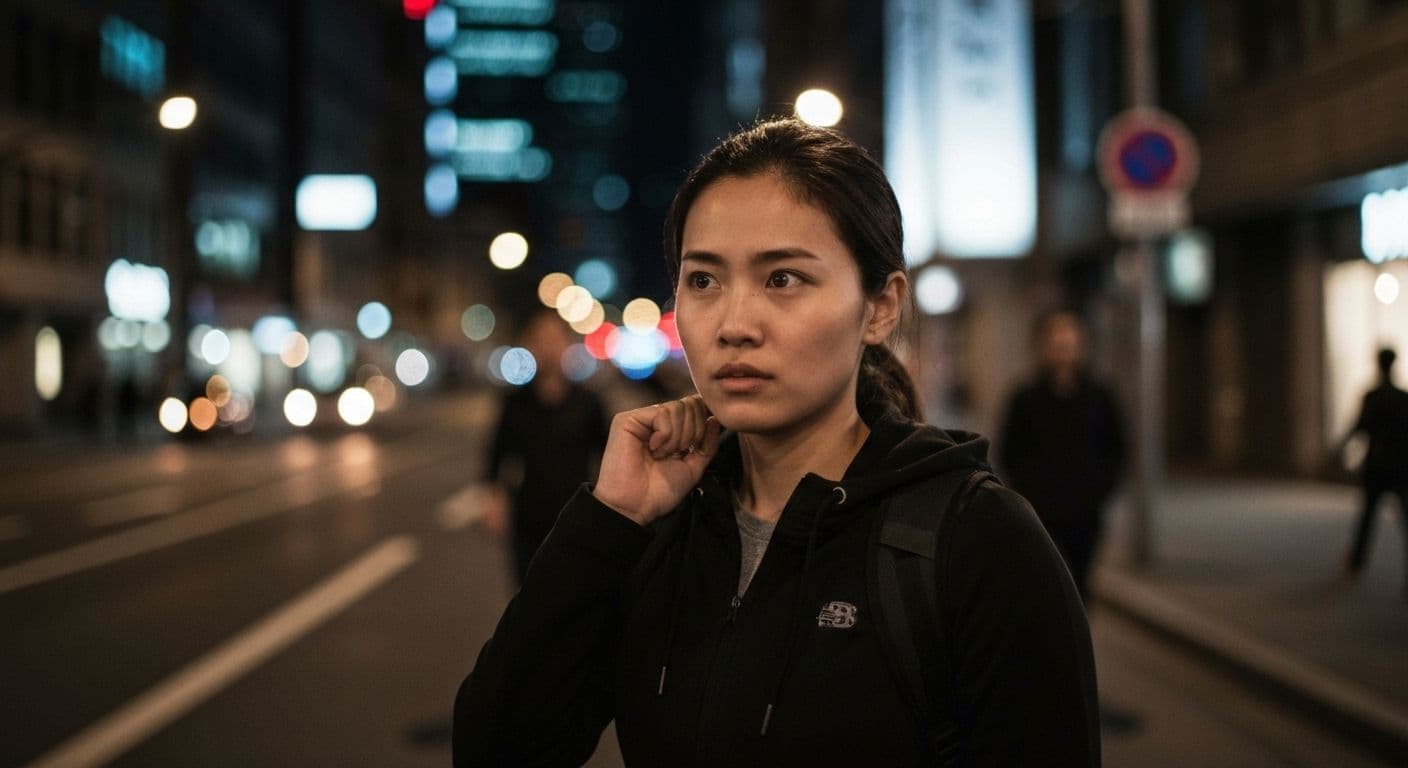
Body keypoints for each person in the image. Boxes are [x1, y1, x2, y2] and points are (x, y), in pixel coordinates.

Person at [454, 118, 1099, 766]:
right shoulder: (660, 533)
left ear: (880, 307)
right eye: (704, 280)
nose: (734, 324)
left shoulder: (978, 542)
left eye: (783, 278)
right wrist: (608, 522)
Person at [997, 309, 1127, 600]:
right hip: (1041, 514)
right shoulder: (1025, 397)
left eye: (1070, 340)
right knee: (1046, 589)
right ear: (1044, 345)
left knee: (1080, 588)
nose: (1063, 347)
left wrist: (1099, 490)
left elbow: (1116, 449)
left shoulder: (1100, 395)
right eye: (1057, 341)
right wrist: (1030, 492)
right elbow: (1009, 452)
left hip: (1085, 513)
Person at [481, 308, 610, 585]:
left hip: (577, 514)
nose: (548, 346)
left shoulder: (589, 402)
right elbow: (497, 451)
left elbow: (608, 453)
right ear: (529, 344)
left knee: (575, 594)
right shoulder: (515, 402)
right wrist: (494, 497)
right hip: (528, 515)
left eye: (554, 338)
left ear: (566, 344)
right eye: (540, 338)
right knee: (527, 591)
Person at [1342, 347, 1408, 588]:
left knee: (1368, 518)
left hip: (1378, 466)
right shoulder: (1403, 398)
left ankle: (1358, 563)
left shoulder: (1373, 396)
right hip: (1401, 467)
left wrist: (1342, 450)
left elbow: (1360, 427)